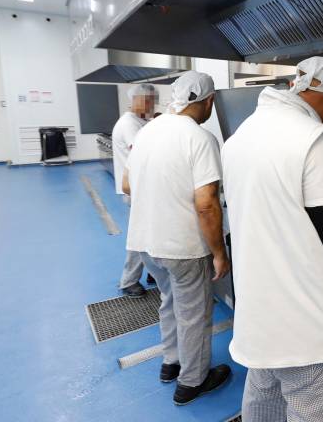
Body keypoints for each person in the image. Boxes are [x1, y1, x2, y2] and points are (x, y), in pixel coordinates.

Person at [222, 56, 323, 421]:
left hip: (258, 318)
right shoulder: (316, 142)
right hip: (305, 332)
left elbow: (286, 205)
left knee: (262, 409)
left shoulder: (243, 135)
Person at [122, 71, 231, 405]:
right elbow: (207, 205)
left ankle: (171, 363)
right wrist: (218, 252)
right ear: (208, 101)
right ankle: (193, 381)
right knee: (194, 313)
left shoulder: (148, 130)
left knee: (169, 303)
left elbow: (127, 185)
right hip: (182, 247)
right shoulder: (199, 138)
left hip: (145, 242)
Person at [112, 84, 157, 298]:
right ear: (137, 100)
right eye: (149, 101)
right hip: (135, 189)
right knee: (139, 236)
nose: (152, 105)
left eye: (153, 101)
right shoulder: (129, 124)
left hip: (142, 187)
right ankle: (128, 281)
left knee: (150, 232)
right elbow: (141, 152)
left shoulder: (139, 121)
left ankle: (153, 273)